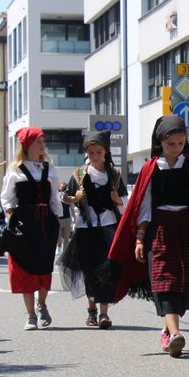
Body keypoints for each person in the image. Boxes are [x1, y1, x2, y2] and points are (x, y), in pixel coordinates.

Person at [106, 114, 189, 358]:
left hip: (186, 227)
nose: (176, 148)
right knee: (164, 278)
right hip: (160, 230)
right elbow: (143, 204)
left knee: (183, 283)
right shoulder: (151, 168)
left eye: (180, 143)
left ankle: (168, 329)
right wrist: (140, 237)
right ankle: (176, 334)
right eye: (170, 144)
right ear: (160, 143)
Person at [58, 130, 126, 328]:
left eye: (98, 152)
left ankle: (104, 313)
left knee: (107, 268)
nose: (95, 156)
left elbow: (126, 201)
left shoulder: (113, 175)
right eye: (91, 152)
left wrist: (118, 199)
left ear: (105, 152)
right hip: (86, 229)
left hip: (108, 227)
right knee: (89, 270)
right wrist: (74, 198)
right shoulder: (79, 174)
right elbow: (64, 196)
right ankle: (91, 311)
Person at [0, 126, 61, 330]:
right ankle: (30, 315)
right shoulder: (15, 170)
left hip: (46, 224)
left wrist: (58, 225)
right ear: (27, 145)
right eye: (38, 142)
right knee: (25, 266)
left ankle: (42, 303)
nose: (43, 145)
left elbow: (54, 200)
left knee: (44, 266)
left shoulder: (49, 169)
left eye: (43, 142)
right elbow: (7, 197)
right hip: (25, 223)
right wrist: (11, 216)